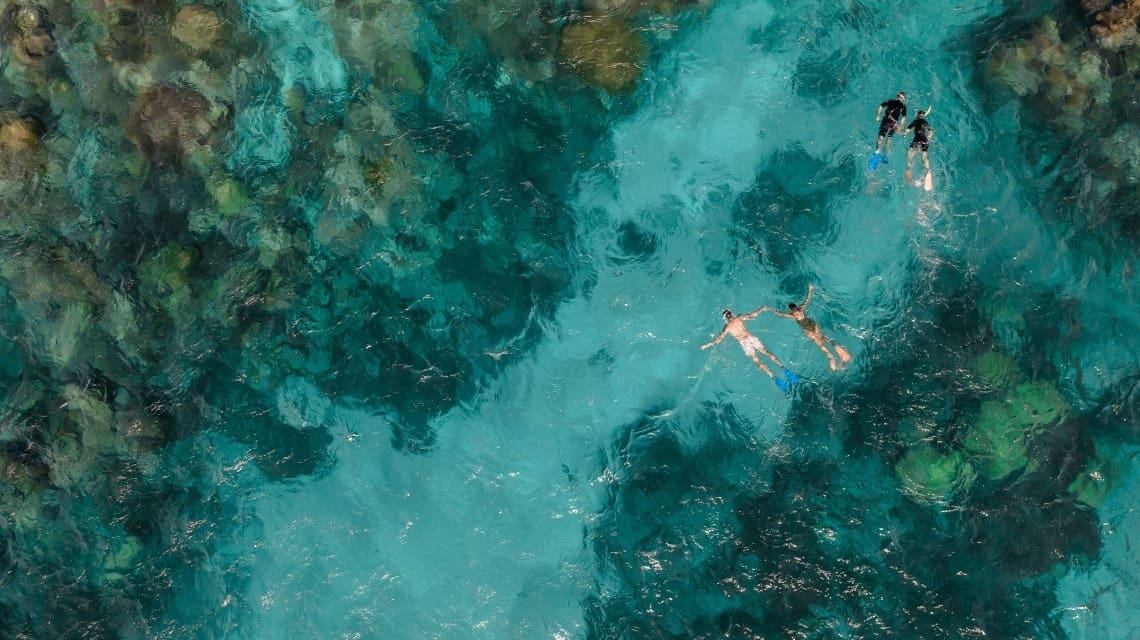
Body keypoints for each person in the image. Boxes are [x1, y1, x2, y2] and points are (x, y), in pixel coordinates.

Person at [701, 309, 798, 390]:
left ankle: (776, 377)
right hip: (750, 338)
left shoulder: (728, 327)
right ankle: (784, 371)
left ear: (726, 318)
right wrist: (762, 309)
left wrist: (707, 345)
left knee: (758, 360)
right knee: (766, 353)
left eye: (727, 315)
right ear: (731, 314)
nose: (729, 315)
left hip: (745, 342)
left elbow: (719, 339)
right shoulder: (738, 318)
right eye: (729, 314)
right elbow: (752, 316)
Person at [763, 284, 852, 371]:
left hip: (807, 328)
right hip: (812, 324)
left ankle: (830, 356)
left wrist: (769, 309)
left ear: (791, 309)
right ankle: (834, 346)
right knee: (823, 338)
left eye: (795, 310)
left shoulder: (792, 315)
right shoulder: (801, 309)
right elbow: (807, 299)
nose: (796, 311)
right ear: (796, 307)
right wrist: (810, 289)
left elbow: (780, 314)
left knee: (819, 342)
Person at [904, 107, 934, 183]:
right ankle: (927, 170)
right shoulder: (925, 122)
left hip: (917, 140)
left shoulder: (915, 121)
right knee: (924, 157)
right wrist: (929, 138)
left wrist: (903, 131)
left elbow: (907, 130)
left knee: (910, 155)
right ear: (923, 116)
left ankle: (909, 168)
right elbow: (931, 130)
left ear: (917, 115)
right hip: (925, 141)